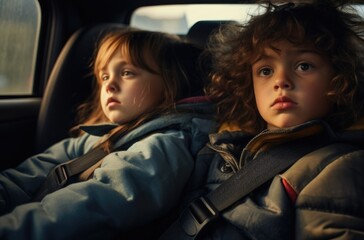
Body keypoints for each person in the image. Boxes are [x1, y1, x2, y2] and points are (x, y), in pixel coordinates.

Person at [167, 0, 364, 239]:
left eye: (304, 66)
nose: (281, 80)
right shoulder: (218, 148)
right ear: (249, 85)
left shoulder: (343, 165)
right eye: (265, 70)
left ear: (339, 81)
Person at [0, 29, 216, 239]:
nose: (109, 85)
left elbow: (93, 205)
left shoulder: (165, 145)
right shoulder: (98, 137)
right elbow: (26, 176)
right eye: (104, 76)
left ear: (171, 83)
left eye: (127, 73)